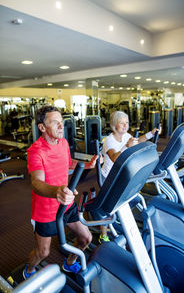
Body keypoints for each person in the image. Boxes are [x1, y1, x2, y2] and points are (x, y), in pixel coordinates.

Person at [23, 105, 98, 279]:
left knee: (86, 238)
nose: (61, 126)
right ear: (42, 127)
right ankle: (29, 271)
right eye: (55, 122)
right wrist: (57, 190)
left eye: (61, 122)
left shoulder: (63, 143)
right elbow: (36, 183)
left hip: (66, 204)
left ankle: (69, 263)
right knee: (43, 252)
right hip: (46, 211)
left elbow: (68, 161)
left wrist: (88, 165)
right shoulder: (35, 151)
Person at [99, 111, 160, 243]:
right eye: (122, 122)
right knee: (108, 208)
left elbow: (138, 140)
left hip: (121, 176)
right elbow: (115, 158)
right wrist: (126, 146)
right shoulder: (109, 140)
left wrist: (151, 133)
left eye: (126, 122)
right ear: (115, 124)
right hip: (109, 178)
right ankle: (102, 236)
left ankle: (119, 220)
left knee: (128, 199)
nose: (125, 125)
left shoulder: (126, 135)